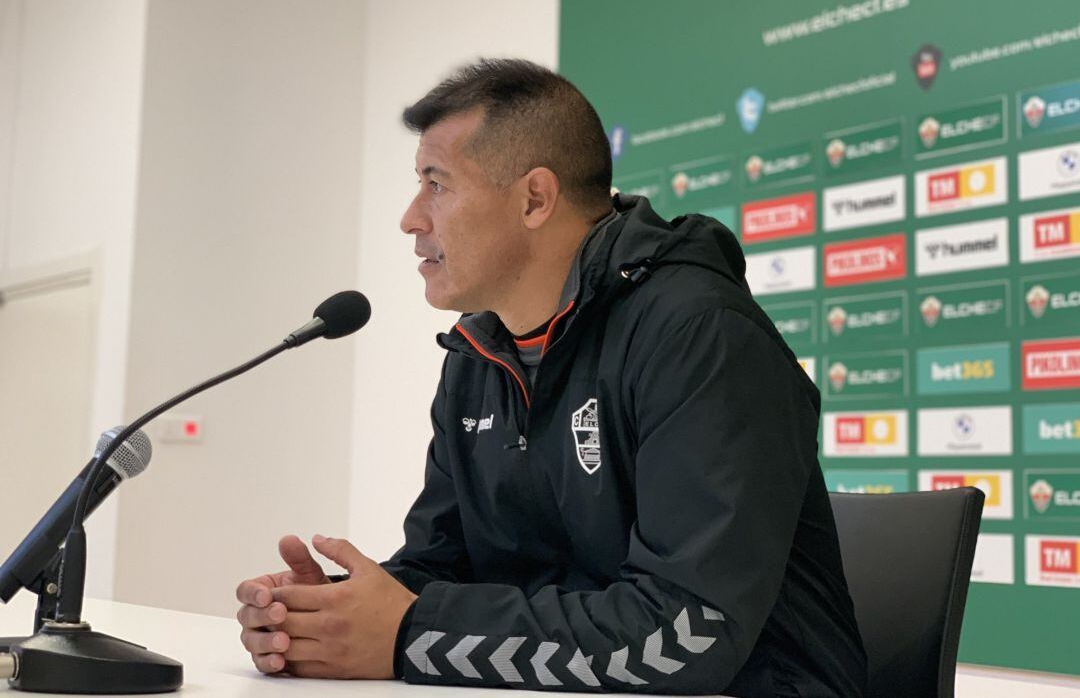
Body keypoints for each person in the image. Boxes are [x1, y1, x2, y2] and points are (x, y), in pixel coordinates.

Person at [235, 59, 867, 697]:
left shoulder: (699, 335)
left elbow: (684, 634)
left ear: (534, 198)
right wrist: (332, 618)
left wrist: (407, 631)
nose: (411, 218)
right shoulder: (478, 354)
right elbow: (443, 568)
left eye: (437, 184)